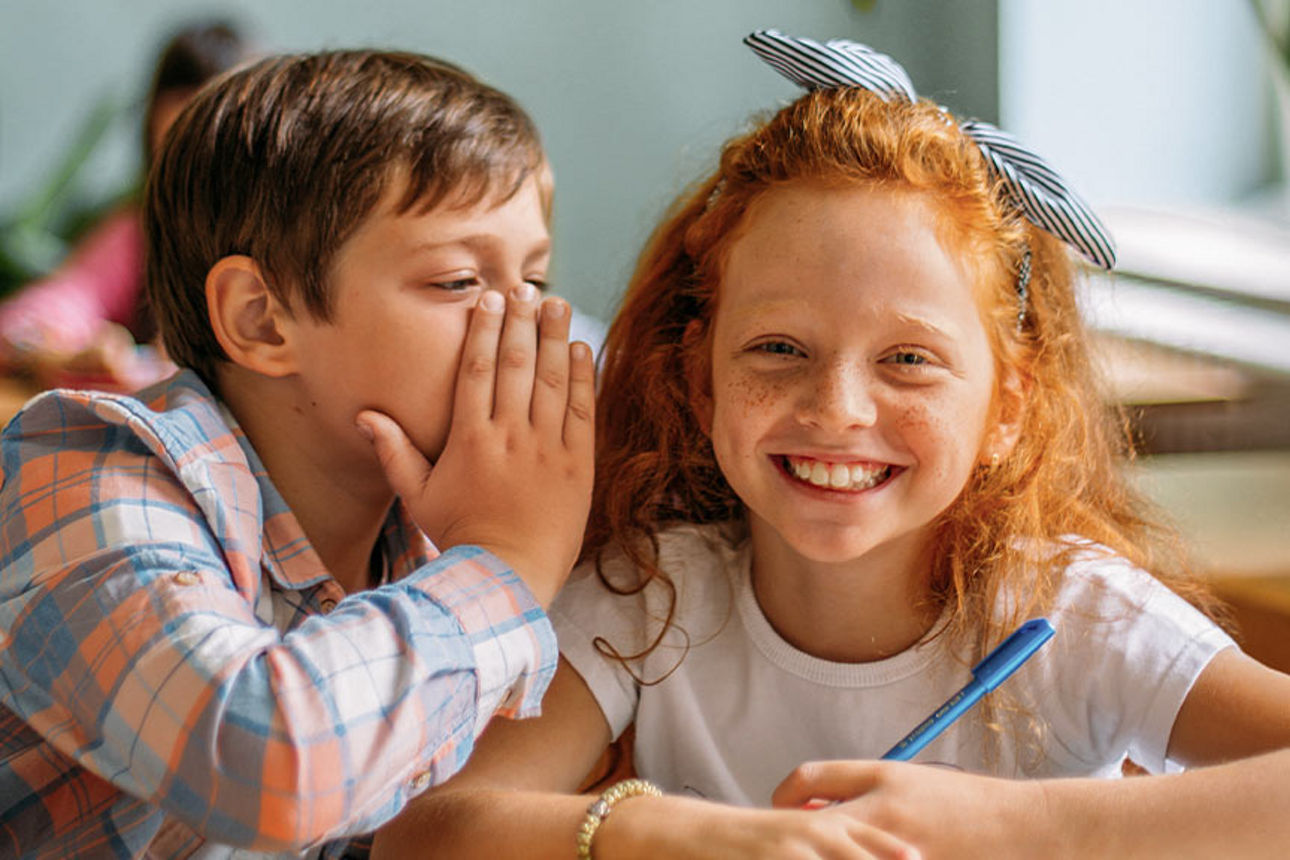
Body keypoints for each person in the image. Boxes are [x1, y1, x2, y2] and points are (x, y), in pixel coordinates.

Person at [371, 31, 1290, 860]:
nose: (838, 407)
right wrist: (673, 834)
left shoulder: (1074, 615)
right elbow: (426, 831)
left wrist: (1005, 826)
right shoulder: (652, 597)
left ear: (1008, 407)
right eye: (779, 350)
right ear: (701, 378)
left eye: (908, 359)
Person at [0, 48, 595, 858]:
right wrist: (507, 563)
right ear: (261, 320)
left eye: (534, 279)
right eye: (459, 282)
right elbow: (271, 769)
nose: (523, 323)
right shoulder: (84, 472)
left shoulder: (422, 538)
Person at [0, 19, 247, 392]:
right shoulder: (140, 232)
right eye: (173, 157)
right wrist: (59, 350)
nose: (195, 180)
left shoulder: (283, 237)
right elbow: (47, 310)